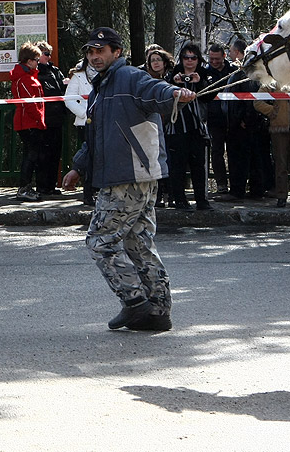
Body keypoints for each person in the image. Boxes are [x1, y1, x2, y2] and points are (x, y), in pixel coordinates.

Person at [62, 27, 196, 332]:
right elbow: (95, 135)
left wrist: (177, 93)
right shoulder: (101, 88)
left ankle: (135, 303)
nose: (94, 57)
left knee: (99, 242)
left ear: (116, 52)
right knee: (138, 243)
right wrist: (79, 167)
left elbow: (157, 91)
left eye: (101, 51)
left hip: (129, 176)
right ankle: (159, 312)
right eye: (91, 52)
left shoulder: (131, 78)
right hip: (133, 175)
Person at [163, 43, 216, 210]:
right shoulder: (173, 74)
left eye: (193, 57)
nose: (189, 61)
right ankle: (180, 199)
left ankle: (202, 200)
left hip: (197, 127)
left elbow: (209, 96)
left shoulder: (205, 74)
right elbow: (165, 97)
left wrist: (199, 83)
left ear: (198, 59)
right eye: (186, 57)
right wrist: (175, 83)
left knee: (199, 166)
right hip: (177, 126)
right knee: (178, 165)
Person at [10, 41, 47, 202]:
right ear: (29, 61)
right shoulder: (23, 78)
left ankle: (26, 187)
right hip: (28, 123)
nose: (38, 63)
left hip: (32, 122)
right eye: (36, 60)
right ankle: (23, 188)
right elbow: (29, 103)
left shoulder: (30, 77)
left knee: (32, 155)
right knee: (30, 156)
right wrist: (40, 120)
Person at [35, 41, 67, 196]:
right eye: (45, 54)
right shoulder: (34, 72)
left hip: (57, 118)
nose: (48, 57)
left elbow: (61, 88)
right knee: (43, 154)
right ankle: (41, 186)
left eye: (49, 53)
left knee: (55, 153)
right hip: (43, 119)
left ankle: (51, 185)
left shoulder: (55, 70)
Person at [64, 54, 96, 205]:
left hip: (105, 121)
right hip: (85, 122)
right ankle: (89, 193)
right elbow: (69, 99)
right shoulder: (78, 76)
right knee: (88, 157)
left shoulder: (110, 73)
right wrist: (85, 113)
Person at [203, 43, 235, 194]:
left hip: (233, 119)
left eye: (217, 59)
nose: (214, 62)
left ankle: (236, 184)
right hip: (214, 119)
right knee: (216, 152)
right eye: (211, 59)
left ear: (224, 56)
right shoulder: (205, 73)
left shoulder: (233, 72)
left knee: (235, 151)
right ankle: (221, 184)